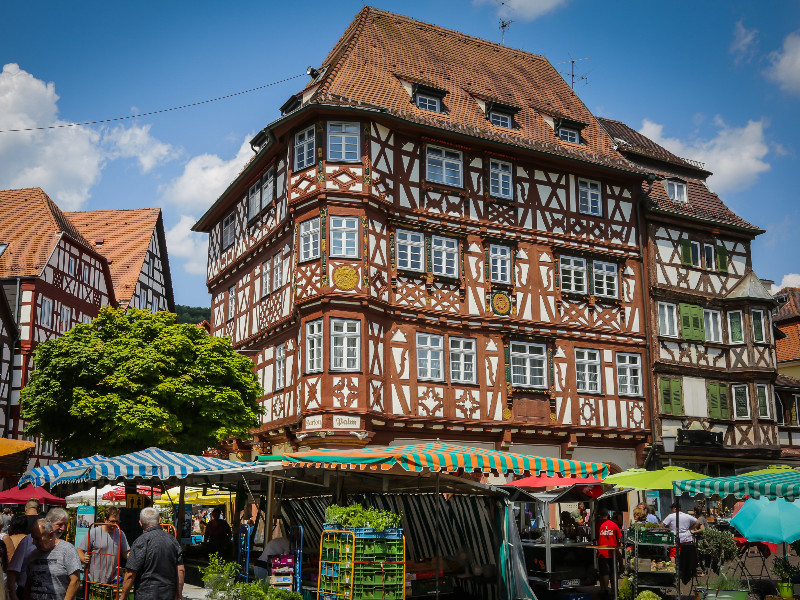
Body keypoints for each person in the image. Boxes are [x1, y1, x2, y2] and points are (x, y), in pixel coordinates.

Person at [118, 507, 184, 600]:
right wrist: (178, 595)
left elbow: (130, 574)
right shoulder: (172, 540)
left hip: (146, 594)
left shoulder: (141, 541)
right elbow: (180, 570)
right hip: (168, 593)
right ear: (159, 520)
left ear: (140, 523)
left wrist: (123, 597)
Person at [8, 508, 68, 600]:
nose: (63, 528)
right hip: (26, 594)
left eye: (65, 524)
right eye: (60, 524)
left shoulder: (65, 546)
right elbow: (12, 570)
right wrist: (13, 595)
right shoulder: (29, 540)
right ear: (49, 523)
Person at [25, 518, 81, 600]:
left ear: (50, 535)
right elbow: (28, 583)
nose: (34, 542)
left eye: (37, 538)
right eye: (33, 538)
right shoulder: (33, 555)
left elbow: (75, 581)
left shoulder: (67, 550)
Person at [76, 507, 130, 585]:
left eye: (117, 522)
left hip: (112, 580)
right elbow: (79, 550)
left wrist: (134, 557)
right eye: (112, 521)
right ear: (105, 519)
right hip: (92, 580)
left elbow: (125, 552)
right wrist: (83, 558)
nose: (115, 524)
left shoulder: (120, 533)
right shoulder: (94, 532)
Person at [662, 503, 701, 585]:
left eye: (672, 509)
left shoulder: (671, 516)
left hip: (676, 538)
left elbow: (663, 525)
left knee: (673, 554)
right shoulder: (686, 516)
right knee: (685, 555)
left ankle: (674, 572)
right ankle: (685, 570)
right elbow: (698, 522)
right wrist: (690, 528)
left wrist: (666, 530)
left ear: (675, 509)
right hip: (687, 538)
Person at [596, 509, 622, 599]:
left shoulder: (598, 524)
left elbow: (595, 537)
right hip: (613, 551)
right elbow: (619, 538)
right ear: (608, 515)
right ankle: (614, 590)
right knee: (613, 571)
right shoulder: (614, 524)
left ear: (600, 516)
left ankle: (605, 589)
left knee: (604, 572)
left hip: (602, 552)